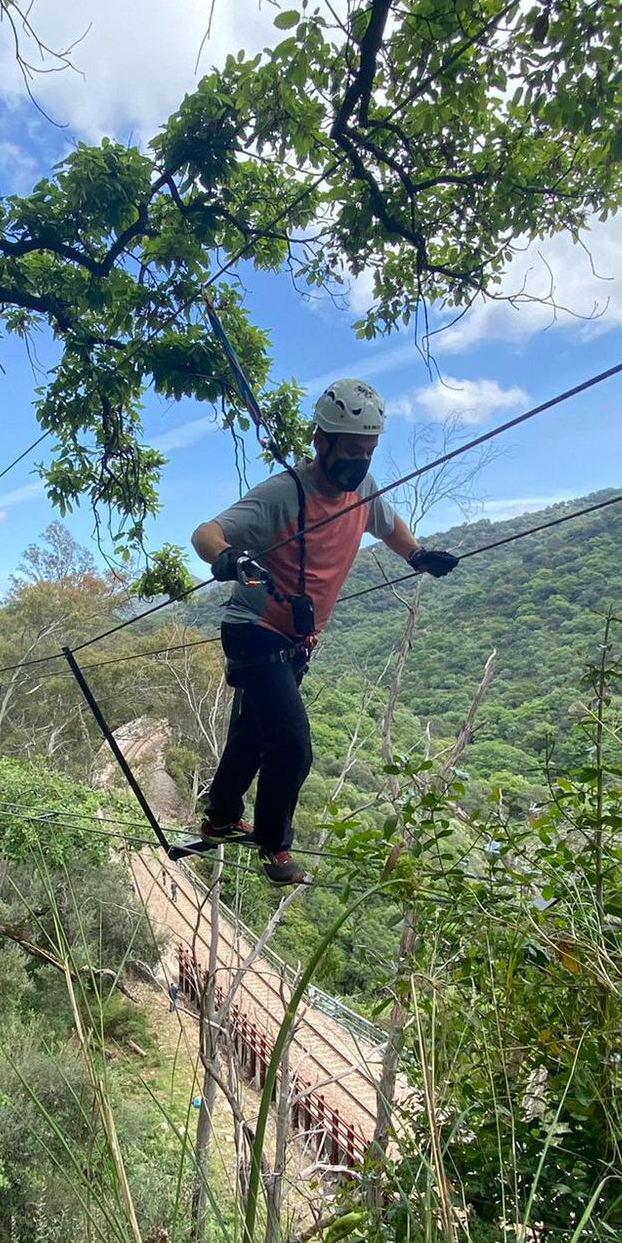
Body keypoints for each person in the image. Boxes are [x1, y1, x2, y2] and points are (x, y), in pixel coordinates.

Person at [189, 378, 458, 883]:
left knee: (253, 732)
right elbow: (206, 532)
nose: (359, 463)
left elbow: (388, 525)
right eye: (352, 451)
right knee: (291, 743)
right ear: (321, 441)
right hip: (254, 627)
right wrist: (226, 557)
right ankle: (275, 847)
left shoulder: (364, 491)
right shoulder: (283, 493)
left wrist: (418, 555)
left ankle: (222, 817)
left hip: (295, 642)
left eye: (369, 453)